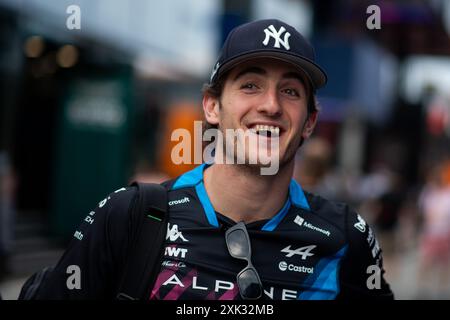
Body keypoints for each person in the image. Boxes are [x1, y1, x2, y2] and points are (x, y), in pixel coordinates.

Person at [35, 19, 393, 300]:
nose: (270, 105)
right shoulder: (131, 217)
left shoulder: (346, 239)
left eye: (289, 91)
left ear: (309, 122)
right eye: (250, 85)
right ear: (212, 106)